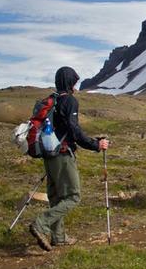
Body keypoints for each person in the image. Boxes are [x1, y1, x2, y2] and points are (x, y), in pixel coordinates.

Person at [29, 66, 110, 252]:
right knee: (73, 196)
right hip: (63, 155)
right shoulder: (70, 101)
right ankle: (41, 224)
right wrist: (96, 145)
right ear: (70, 82)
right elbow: (74, 130)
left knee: (56, 197)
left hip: (49, 154)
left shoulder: (52, 100)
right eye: (75, 81)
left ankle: (59, 237)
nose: (76, 85)